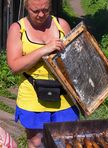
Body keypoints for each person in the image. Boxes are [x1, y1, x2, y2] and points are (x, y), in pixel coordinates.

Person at [6, 0, 79, 147]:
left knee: (66, 141)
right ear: (27, 7)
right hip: (33, 98)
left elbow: (74, 61)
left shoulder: (62, 25)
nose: (41, 15)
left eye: (45, 10)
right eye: (35, 11)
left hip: (63, 97)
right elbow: (15, 66)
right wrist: (44, 50)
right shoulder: (17, 29)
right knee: (37, 142)